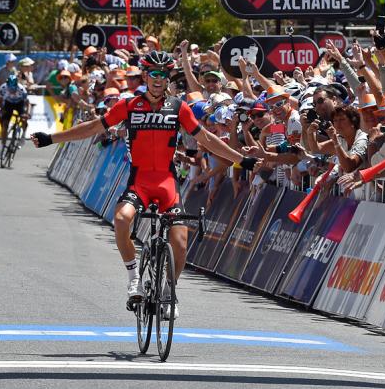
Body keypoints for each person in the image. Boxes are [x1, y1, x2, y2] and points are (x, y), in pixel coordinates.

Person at [30, 51, 258, 319]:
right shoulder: (128, 106)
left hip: (166, 183)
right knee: (121, 219)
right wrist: (52, 138)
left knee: (181, 242)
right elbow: (93, 128)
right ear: (147, 76)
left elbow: (207, 139)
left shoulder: (178, 107)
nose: (159, 79)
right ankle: (133, 277)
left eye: (164, 75)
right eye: (154, 74)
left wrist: (241, 160)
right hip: (139, 182)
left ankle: (169, 290)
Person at [0, 74, 30, 158]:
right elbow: (0, 101)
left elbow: (27, 103)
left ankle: (23, 136)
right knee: (5, 125)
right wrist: (1, 109)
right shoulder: (3, 88)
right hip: (8, 104)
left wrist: (27, 113)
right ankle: (3, 148)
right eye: (10, 88)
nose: (12, 91)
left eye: (13, 88)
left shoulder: (22, 89)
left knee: (23, 119)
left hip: (20, 104)